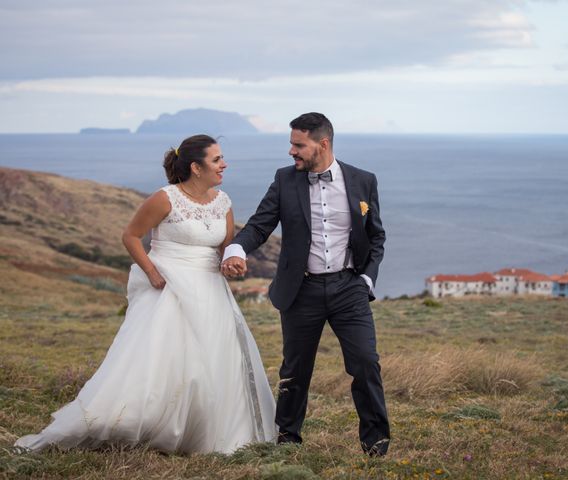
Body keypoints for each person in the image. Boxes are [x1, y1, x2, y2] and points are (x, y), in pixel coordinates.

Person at [15, 134, 276, 454]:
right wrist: (152, 272)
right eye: (217, 159)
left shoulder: (223, 202)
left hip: (210, 291)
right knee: (165, 361)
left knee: (215, 360)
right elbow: (131, 236)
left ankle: (208, 432)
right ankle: (137, 421)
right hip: (169, 288)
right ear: (196, 167)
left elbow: (224, 250)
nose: (225, 164)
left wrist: (232, 263)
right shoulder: (165, 198)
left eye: (222, 158)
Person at [221, 113, 390, 456]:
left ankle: (376, 442)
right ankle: (288, 438)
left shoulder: (363, 180)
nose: (291, 152)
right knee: (295, 370)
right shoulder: (285, 180)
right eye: (291, 144)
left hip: (348, 289)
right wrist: (236, 247)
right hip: (302, 291)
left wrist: (365, 280)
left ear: (322, 144)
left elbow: (376, 236)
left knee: (365, 363)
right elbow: (260, 224)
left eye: (298, 145)